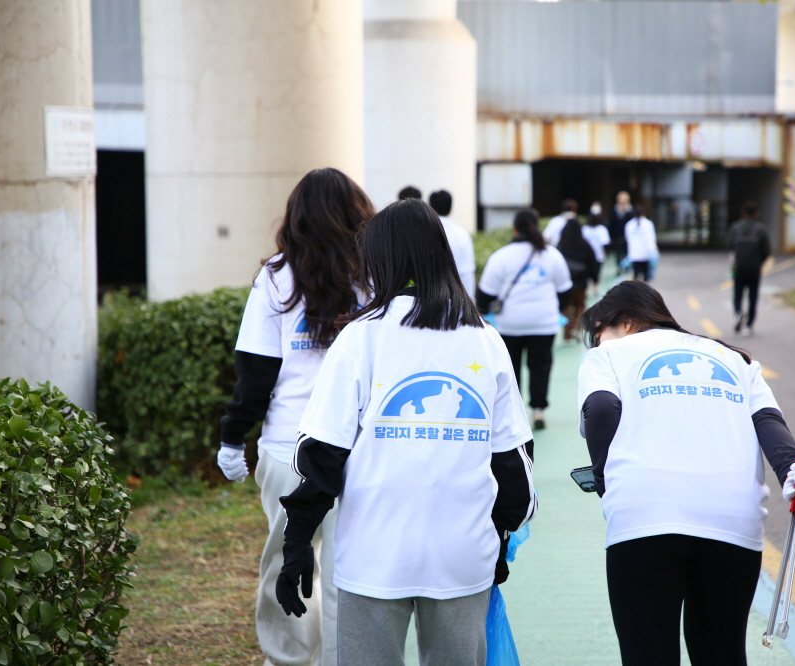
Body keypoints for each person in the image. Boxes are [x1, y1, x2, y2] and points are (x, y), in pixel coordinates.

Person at [274, 199, 538, 666]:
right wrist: (499, 539)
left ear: (381, 261)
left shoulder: (360, 337)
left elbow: (321, 455)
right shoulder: (484, 339)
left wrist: (297, 544)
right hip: (462, 556)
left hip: (373, 557)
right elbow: (514, 462)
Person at [577, 280, 795, 666]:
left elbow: (601, 411)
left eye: (598, 333)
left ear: (625, 323)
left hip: (645, 515)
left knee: (648, 654)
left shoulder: (609, 355)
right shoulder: (734, 358)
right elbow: (768, 422)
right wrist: (794, 468)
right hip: (732, 520)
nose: (597, 343)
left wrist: (604, 477)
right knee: (721, 652)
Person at [217, 167, 375, 666]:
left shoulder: (275, 276)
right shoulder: (376, 273)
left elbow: (256, 373)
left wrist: (231, 438)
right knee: (350, 568)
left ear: (296, 215)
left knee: (287, 561)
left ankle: (287, 660)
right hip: (363, 447)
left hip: (290, 447)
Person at [478, 209, 573, 430]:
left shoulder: (501, 256)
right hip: (544, 322)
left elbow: (485, 294)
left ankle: (515, 414)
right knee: (540, 365)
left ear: (515, 229)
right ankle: (538, 410)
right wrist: (554, 310)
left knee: (511, 367)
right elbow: (565, 289)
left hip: (509, 323)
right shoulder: (551, 255)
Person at [727, 201, 771, 337]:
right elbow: (767, 251)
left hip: (738, 268)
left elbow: (729, 245)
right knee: (753, 297)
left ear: (743, 213)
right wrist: (759, 261)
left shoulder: (735, 228)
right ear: (757, 213)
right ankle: (749, 325)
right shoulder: (761, 229)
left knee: (738, 294)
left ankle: (738, 313)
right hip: (754, 268)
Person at [557, 219, 600, 342]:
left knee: (566, 307)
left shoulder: (561, 245)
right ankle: (576, 328)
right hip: (581, 282)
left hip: (565, 283)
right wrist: (595, 279)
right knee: (580, 306)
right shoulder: (585, 244)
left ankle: (567, 334)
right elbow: (593, 263)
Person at [429, 189, 477, 297]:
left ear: (430, 208)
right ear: (451, 209)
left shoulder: (423, 233)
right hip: (456, 299)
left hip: (427, 299)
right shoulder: (461, 234)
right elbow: (467, 272)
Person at [624, 204, 659, 282]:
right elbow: (652, 238)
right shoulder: (647, 224)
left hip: (638, 254)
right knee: (645, 275)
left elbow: (627, 239)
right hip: (643, 254)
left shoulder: (629, 225)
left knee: (636, 274)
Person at [581, 201, 611, 284]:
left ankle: (594, 285)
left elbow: (605, 243)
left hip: (596, 256)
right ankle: (595, 286)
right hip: (594, 256)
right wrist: (606, 252)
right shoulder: (598, 229)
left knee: (592, 272)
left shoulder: (588, 229)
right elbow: (605, 243)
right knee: (594, 273)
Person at [609, 191, 635, 274]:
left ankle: (627, 268)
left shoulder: (630, 210)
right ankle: (619, 269)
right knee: (618, 254)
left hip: (628, 237)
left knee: (627, 253)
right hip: (617, 235)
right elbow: (611, 224)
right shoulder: (615, 210)